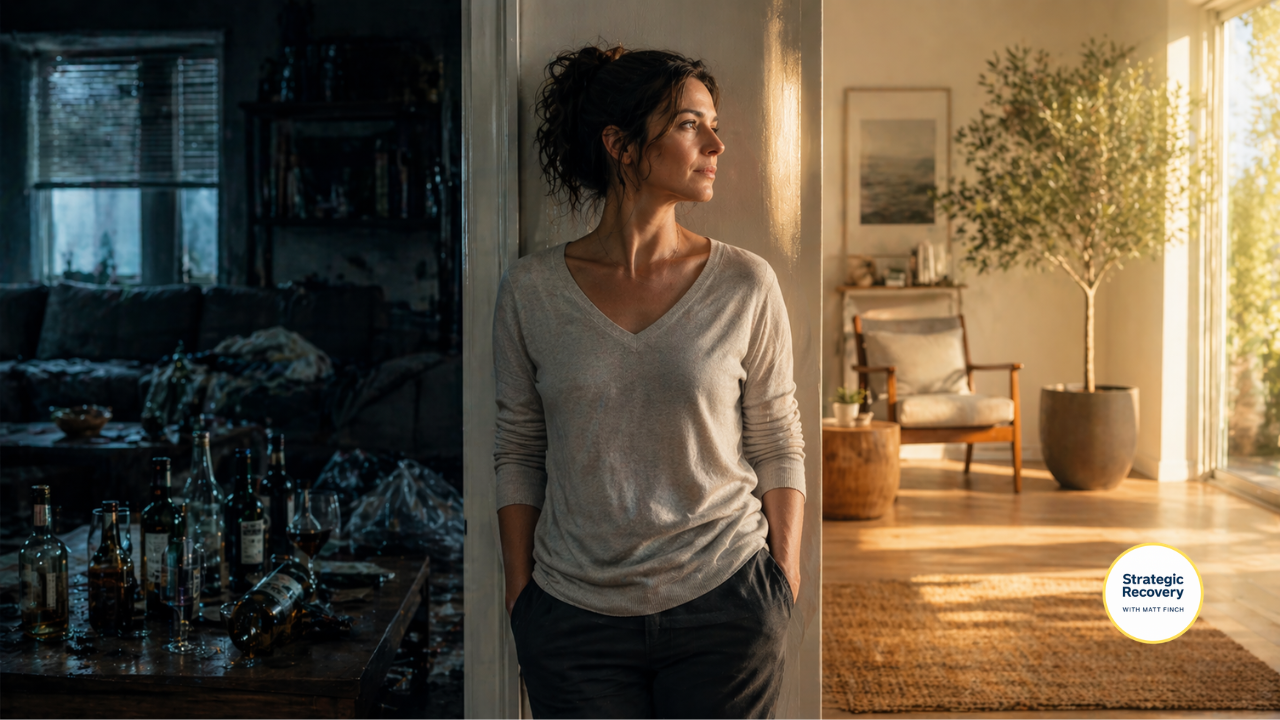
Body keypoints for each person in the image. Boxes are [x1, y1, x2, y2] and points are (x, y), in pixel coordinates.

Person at [492, 44, 806, 719]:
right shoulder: (531, 290)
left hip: (727, 604)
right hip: (573, 620)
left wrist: (784, 577)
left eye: (713, 123)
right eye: (691, 124)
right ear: (622, 146)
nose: (717, 143)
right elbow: (518, 448)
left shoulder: (746, 283)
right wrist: (522, 594)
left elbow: (778, 435)